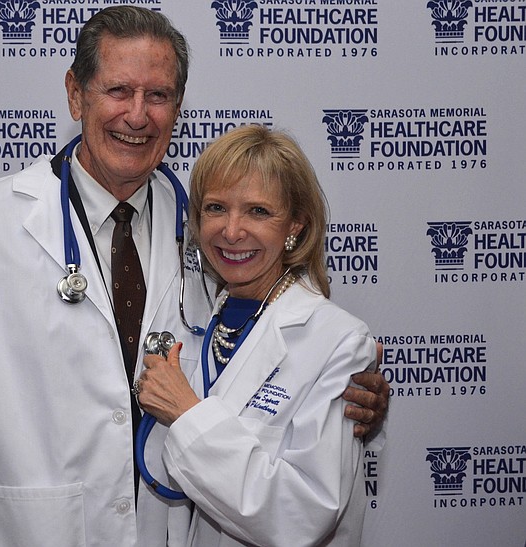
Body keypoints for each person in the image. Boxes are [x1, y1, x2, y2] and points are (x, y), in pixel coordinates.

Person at [0, 7, 387, 547]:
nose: (137, 115)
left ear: (178, 108)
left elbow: (266, 371)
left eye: (157, 96)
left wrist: (345, 402)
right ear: (75, 93)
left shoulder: (213, 231)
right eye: (118, 91)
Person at [135, 125, 378, 546]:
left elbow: (303, 514)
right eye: (215, 208)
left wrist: (186, 414)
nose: (231, 231)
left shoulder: (340, 342)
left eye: (258, 212)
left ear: (296, 226)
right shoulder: (198, 319)